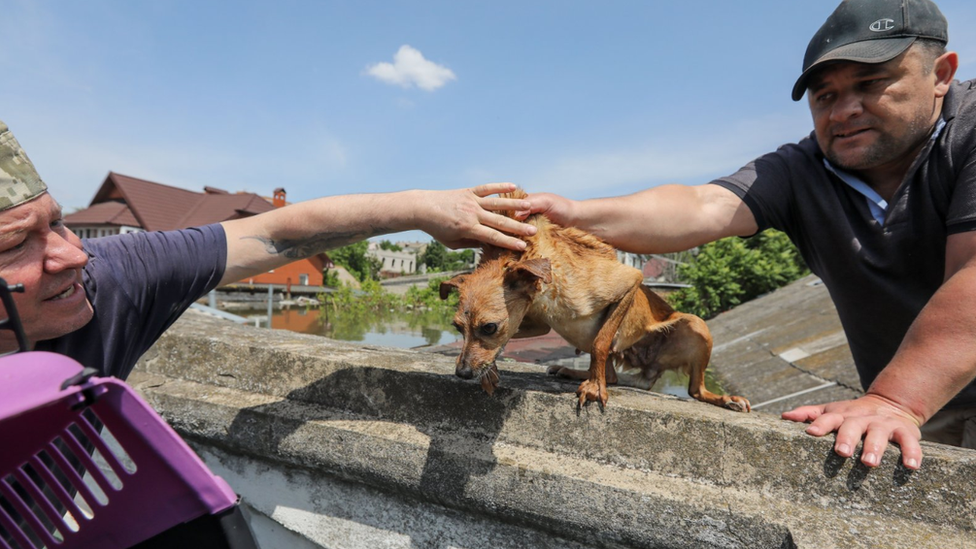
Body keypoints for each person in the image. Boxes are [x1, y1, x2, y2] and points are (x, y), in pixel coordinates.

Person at [521, 0, 976, 470]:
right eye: (824, 96)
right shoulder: (805, 168)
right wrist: (571, 213)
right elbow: (703, 207)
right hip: (915, 413)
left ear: (941, 74)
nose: (844, 111)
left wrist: (895, 399)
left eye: (870, 84)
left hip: (908, 396)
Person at [0, 119, 537, 382]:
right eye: (17, 242)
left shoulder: (106, 285)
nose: (73, 255)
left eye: (61, 223)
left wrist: (422, 209)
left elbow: (273, 234)